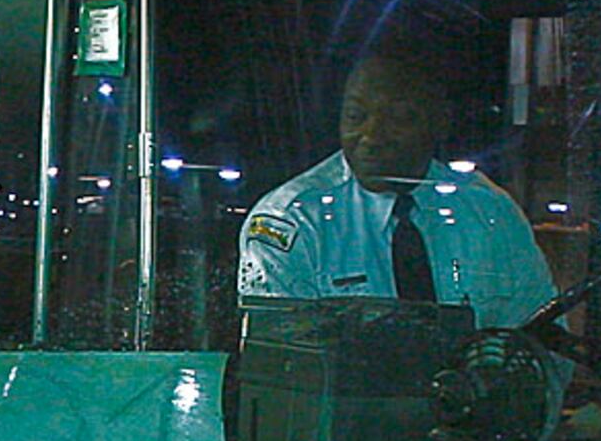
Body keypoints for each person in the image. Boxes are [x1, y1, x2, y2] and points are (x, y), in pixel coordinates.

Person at [236, 48, 552, 319]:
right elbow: (281, 366)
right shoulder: (295, 219)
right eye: (355, 116)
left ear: (441, 121)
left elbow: (541, 340)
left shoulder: (487, 212)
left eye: (398, 118)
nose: (371, 137)